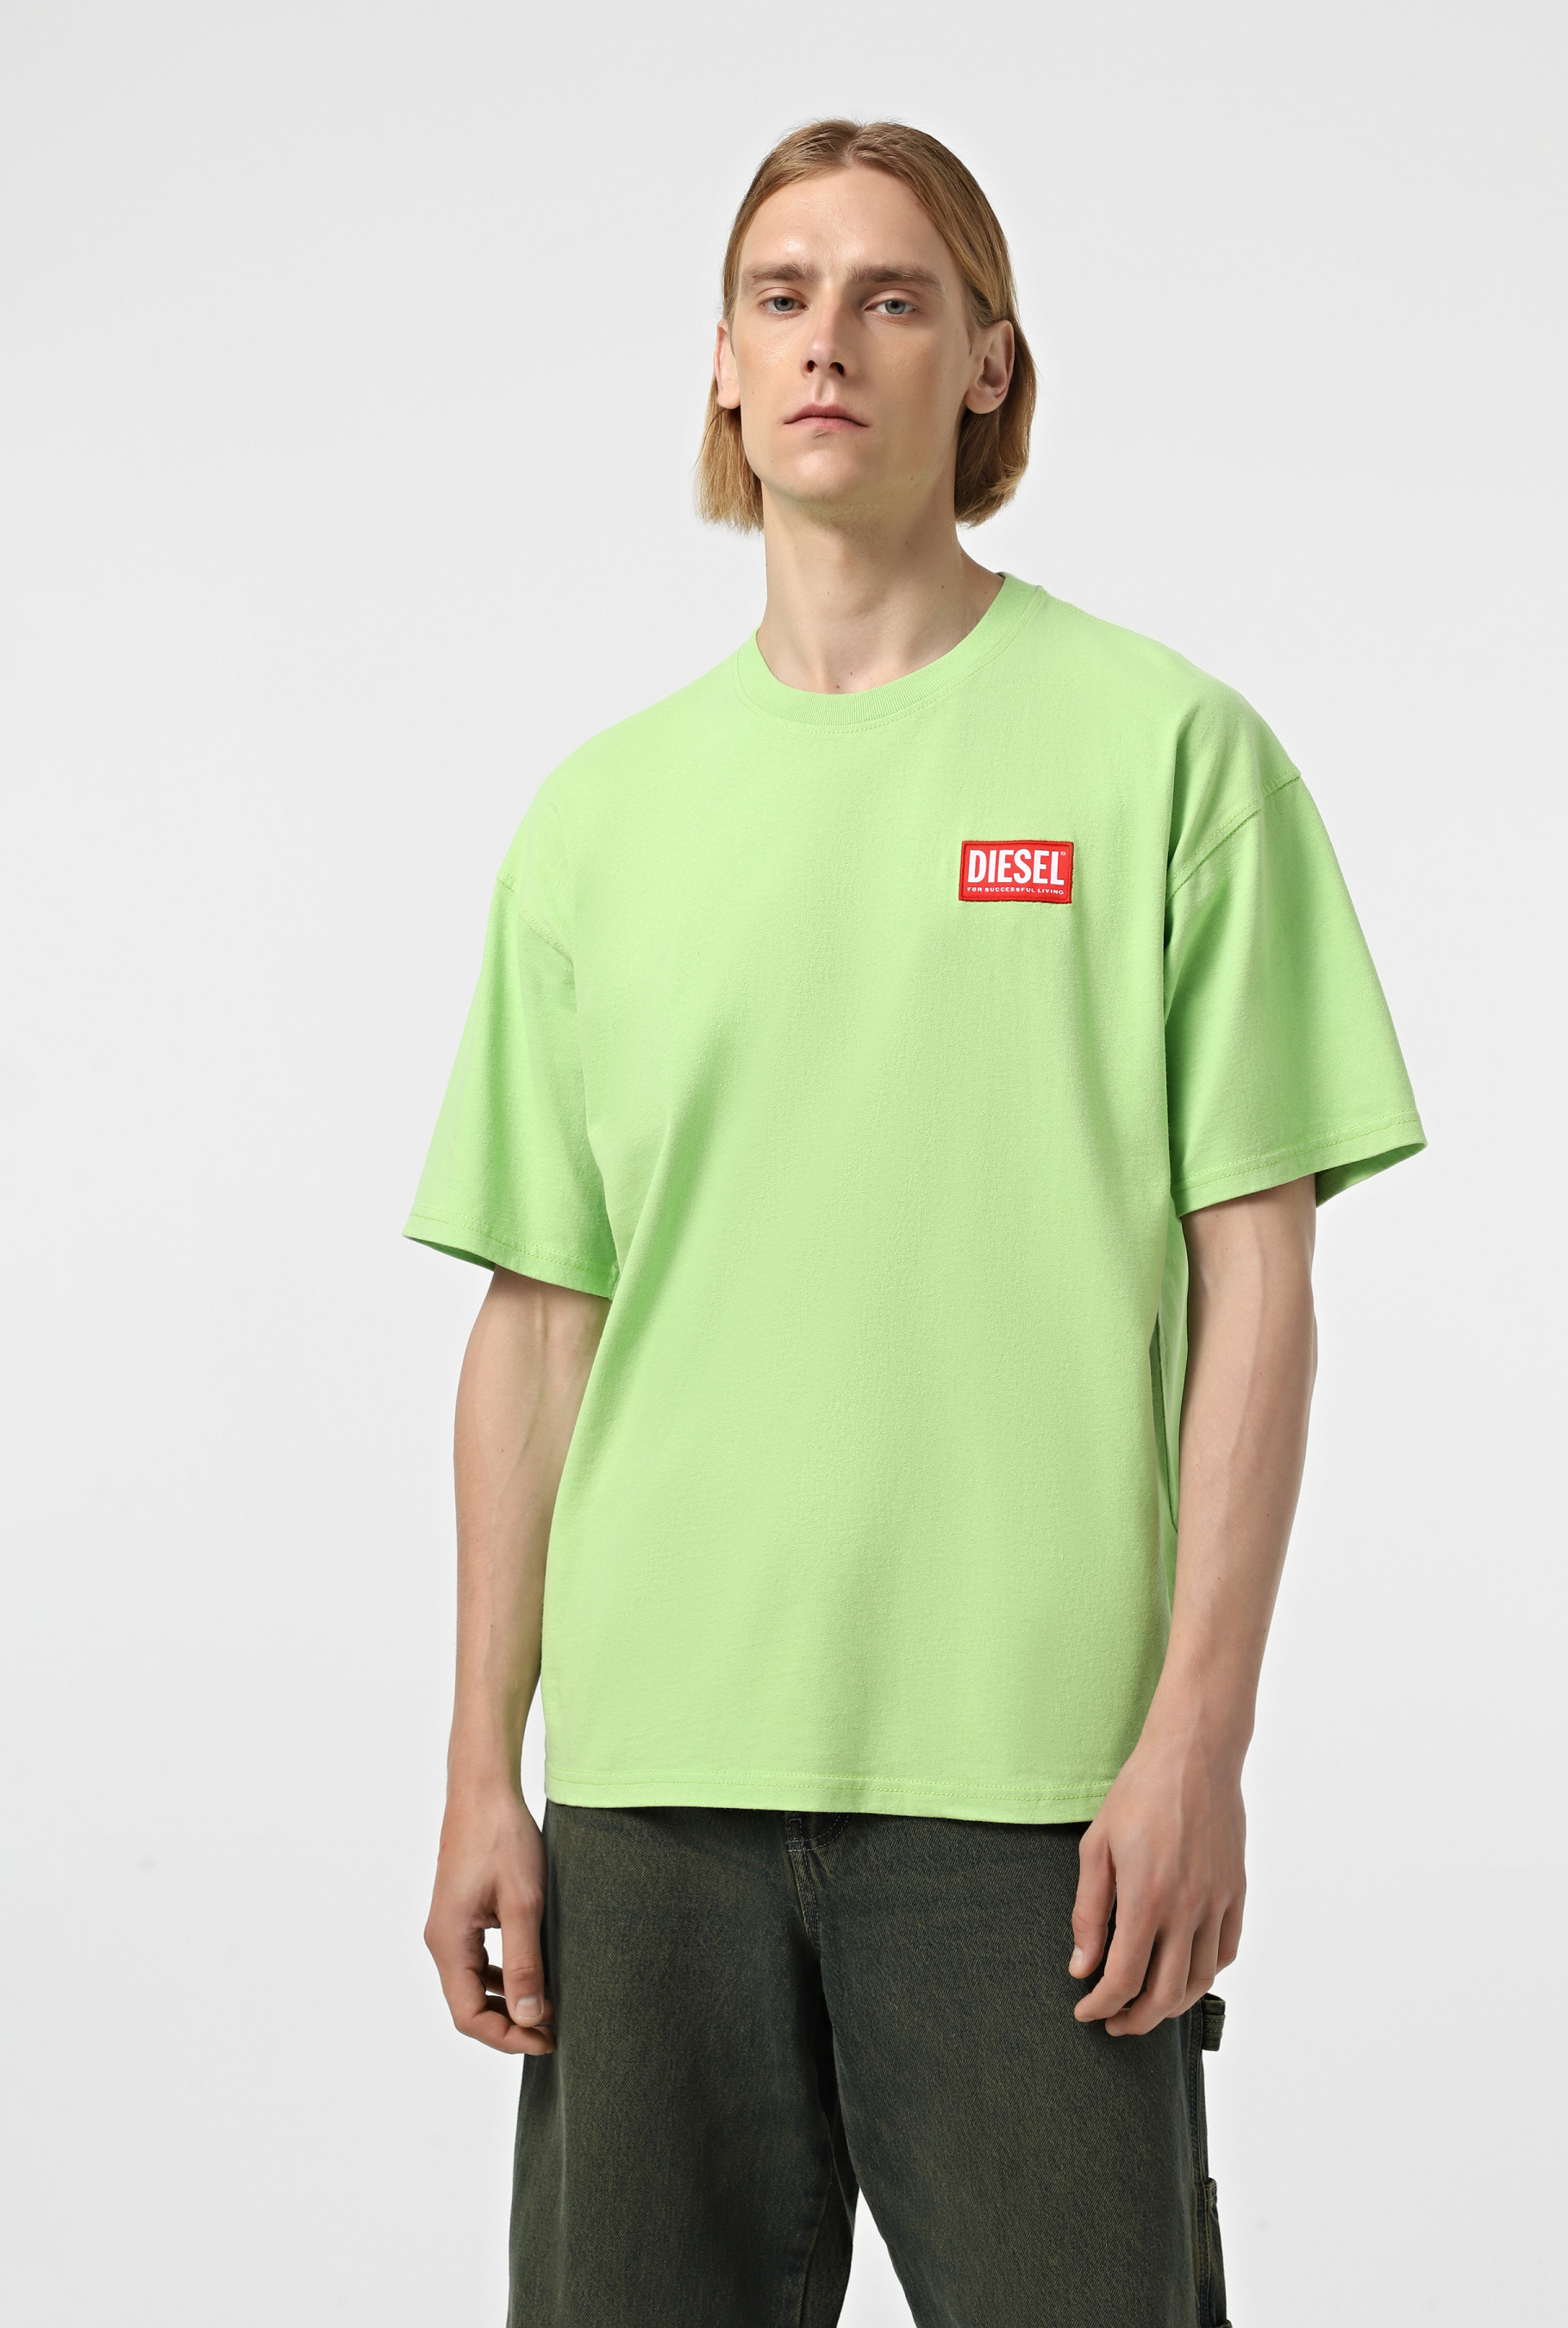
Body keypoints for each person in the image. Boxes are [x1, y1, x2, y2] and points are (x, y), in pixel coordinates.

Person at [404, 116, 1425, 2328]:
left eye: (890, 296)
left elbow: (1257, 1280)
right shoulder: (596, 822)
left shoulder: (1166, 756)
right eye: (778, 295)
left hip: (1033, 1791)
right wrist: (486, 1765)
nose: (825, 342)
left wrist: (1195, 1740)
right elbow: (538, 1321)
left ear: (984, 364)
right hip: (651, 1787)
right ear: (718, 360)